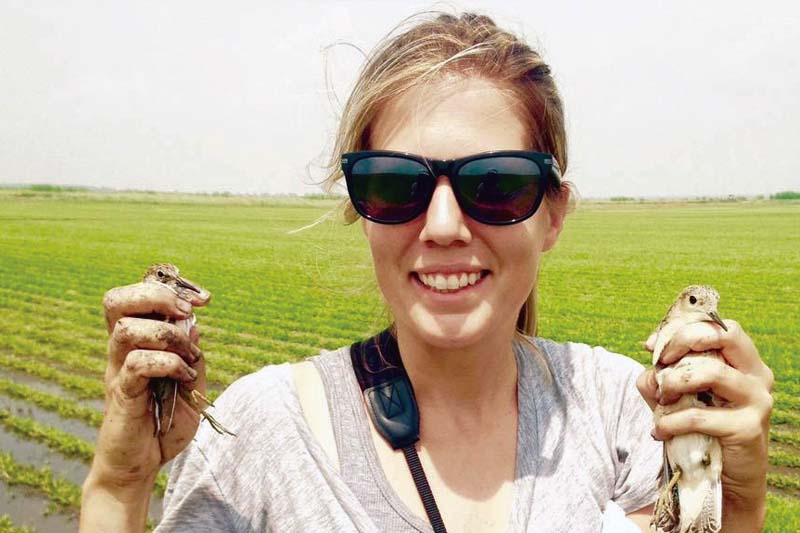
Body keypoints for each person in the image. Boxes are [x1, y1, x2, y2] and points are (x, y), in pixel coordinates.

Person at [80, 11, 774, 533]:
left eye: (498, 184)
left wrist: (738, 503)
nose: (443, 226)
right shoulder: (264, 434)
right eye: (393, 183)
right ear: (360, 207)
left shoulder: (622, 411)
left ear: (553, 214)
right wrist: (119, 484)